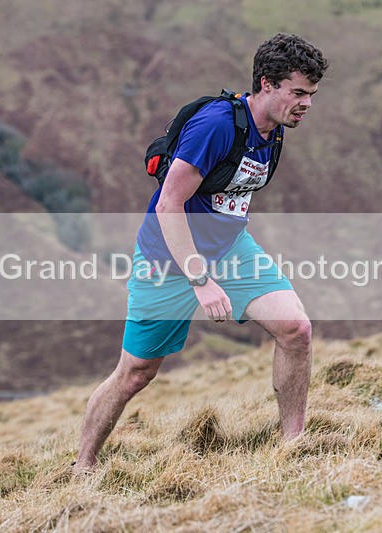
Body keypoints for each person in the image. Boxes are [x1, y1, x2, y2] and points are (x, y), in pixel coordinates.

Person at [74, 33, 328, 474]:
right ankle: (83, 465)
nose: (306, 104)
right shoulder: (216, 126)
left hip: (230, 249)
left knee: (296, 329)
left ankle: (294, 446)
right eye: (298, 93)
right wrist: (200, 279)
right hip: (167, 259)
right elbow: (169, 204)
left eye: (311, 95)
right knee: (135, 372)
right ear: (266, 84)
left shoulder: (273, 129)